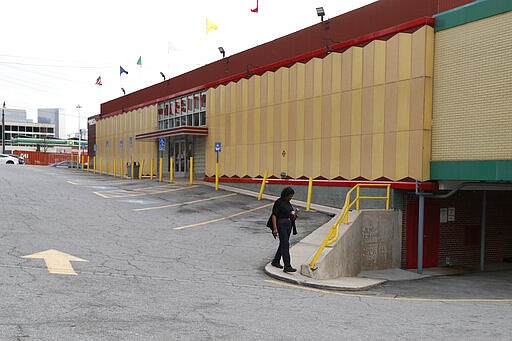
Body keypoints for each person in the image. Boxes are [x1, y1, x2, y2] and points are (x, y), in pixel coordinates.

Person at [270, 186, 298, 273]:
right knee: (285, 244)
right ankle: (287, 266)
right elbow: (274, 215)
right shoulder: (279, 202)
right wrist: (275, 229)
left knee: (283, 243)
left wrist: (294, 215)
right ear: (286, 195)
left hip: (288, 225)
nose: (291, 198)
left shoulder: (288, 203)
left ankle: (276, 261)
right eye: (290, 196)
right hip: (281, 225)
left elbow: (289, 213)